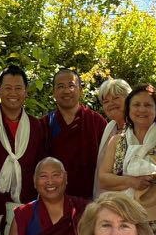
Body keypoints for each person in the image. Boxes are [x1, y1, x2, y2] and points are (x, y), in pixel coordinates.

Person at [96, 84, 156, 235]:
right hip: (122, 217)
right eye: (136, 105)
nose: (141, 110)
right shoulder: (117, 141)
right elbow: (103, 179)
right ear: (128, 109)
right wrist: (132, 181)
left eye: (148, 105)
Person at [0, 64, 47, 226]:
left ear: (25, 92)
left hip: (26, 203)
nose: (13, 93)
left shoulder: (36, 126)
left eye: (18, 88)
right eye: (8, 88)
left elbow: (41, 165)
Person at [6, 157, 89, 235]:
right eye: (43, 176)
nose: (50, 181)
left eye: (56, 175)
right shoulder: (24, 213)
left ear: (66, 178)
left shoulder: (84, 209)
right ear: (34, 181)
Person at [44, 68, 108, 199]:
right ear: (53, 92)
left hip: (90, 199)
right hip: (53, 199)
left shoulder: (96, 121)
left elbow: (109, 163)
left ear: (80, 90)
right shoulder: (45, 124)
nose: (67, 91)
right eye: (61, 86)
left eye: (71, 85)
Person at [92, 78, 132, 196]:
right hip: (106, 197)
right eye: (106, 101)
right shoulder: (110, 127)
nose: (111, 104)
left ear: (129, 99)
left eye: (116, 98)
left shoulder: (139, 127)